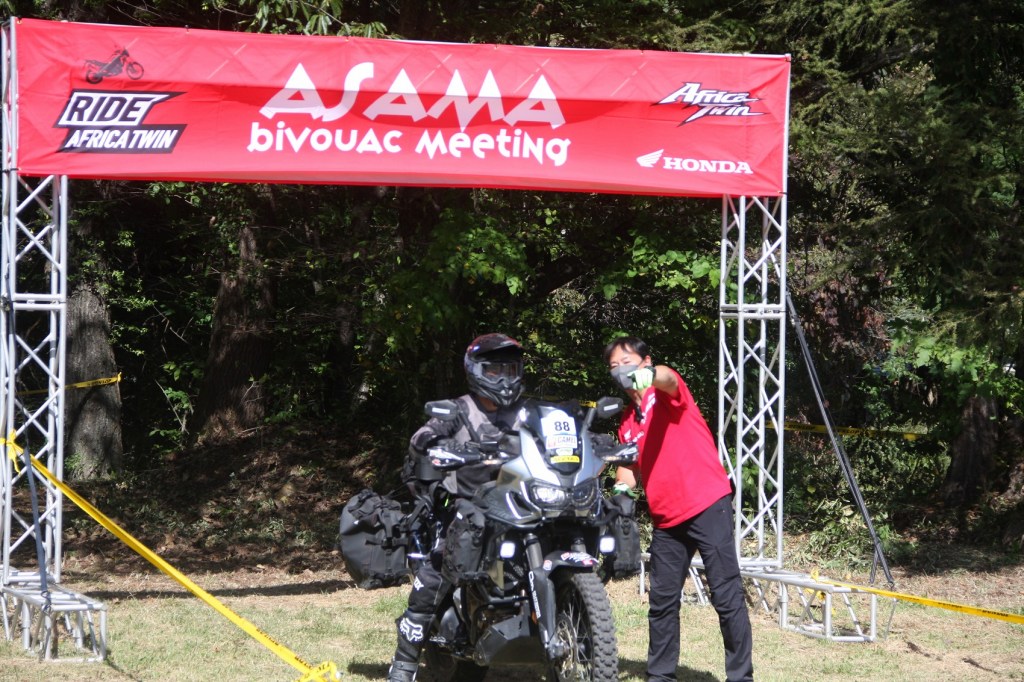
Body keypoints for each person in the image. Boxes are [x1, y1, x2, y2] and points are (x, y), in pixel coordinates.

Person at [605, 335, 754, 682]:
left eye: (628, 362)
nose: (621, 370)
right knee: (661, 601)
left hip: (707, 503)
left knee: (726, 594)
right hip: (667, 519)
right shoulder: (628, 420)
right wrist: (621, 492)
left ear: (645, 362)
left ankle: (740, 677)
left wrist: (651, 376)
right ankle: (660, 676)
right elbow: (629, 467)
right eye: (613, 366)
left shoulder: (665, 394)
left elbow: (669, 378)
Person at [387, 332, 527, 682]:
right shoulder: (459, 409)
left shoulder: (525, 413)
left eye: (510, 370)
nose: (504, 378)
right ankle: (404, 664)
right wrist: (438, 446)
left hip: (518, 506)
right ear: (475, 371)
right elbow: (421, 438)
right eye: (494, 370)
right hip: (464, 508)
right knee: (438, 572)